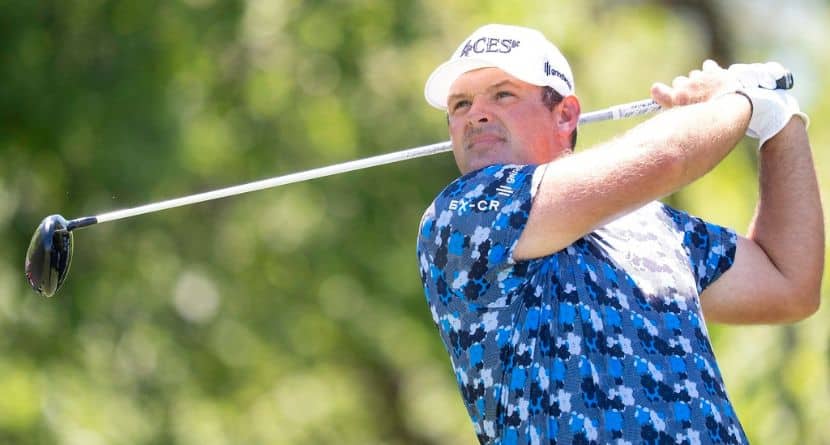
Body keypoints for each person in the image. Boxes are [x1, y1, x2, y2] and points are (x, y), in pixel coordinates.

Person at [416, 24, 823, 444]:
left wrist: (780, 121)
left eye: (502, 95)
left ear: (565, 115)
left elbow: (789, 283)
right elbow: (667, 158)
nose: (477, 114)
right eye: (461, 104)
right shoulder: (464, 213)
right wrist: (739, 99)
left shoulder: (653, 224)